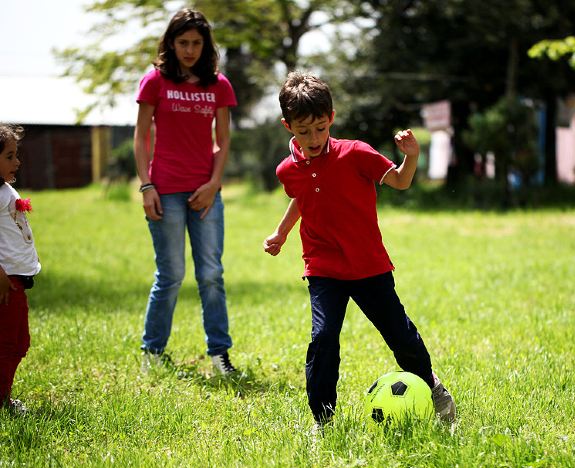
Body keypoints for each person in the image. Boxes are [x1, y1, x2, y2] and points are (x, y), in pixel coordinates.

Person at [263, 72, 456, 425]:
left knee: (399, 334)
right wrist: (281, 233)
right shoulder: (287, 170)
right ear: (287, 125)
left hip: (368, 265)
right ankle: (323, 420)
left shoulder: (356, 153)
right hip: (323, 267)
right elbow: (301, 199)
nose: (314, 138)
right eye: (303, 131)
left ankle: (432, 388)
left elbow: (400, 180)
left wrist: (411, 156)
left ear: (331, 117)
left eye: (320, 128)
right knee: (323, 339)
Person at [134, 8, 238, 375]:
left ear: (206, 45)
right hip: (164, 191)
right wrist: (146, 186)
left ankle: (220, 354)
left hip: (205, 193)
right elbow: (141, 136)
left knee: (211, 274)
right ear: (171, 43)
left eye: (196, 43)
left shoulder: (219, 85)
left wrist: (213, 184)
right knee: (172, 274)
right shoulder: (155, 81)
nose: (190, 50)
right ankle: (153, 352)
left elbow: (223, 140)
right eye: (183, 43)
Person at [0, 124, 41, 414]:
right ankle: (2, 401)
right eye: (9, 156)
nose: (17, 162)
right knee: (9, 343)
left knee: (18, 341)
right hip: (5, 282)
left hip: (15, 280)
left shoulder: (4, 189)